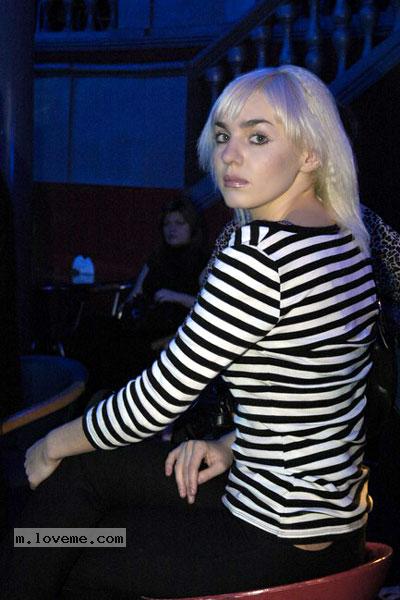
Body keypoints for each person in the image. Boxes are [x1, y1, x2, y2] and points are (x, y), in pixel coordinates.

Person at [1, 65, 378, 599]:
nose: (230, 155)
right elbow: (322, 397)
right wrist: (231, 445)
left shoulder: (259, 255)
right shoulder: (346, 238)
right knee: (86, 481)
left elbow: (158, 399)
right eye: (223, 136)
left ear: (311, 152)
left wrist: (49, 443)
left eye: (258, 137)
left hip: (271, 533)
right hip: (332, 525)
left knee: (52, 540)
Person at [71, 196, 208, 390]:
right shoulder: (157, 258)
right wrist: (128, 309)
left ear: (192, 227)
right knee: (92, 328)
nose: (172, 229)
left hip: (174, 328)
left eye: (179, 223)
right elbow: (135, 294)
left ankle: (111, 393)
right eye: (167, 223)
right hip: (145, 320)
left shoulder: (203, 262)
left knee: (125, 349)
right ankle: (84, 393)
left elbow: (208, 308)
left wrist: (175, 296)